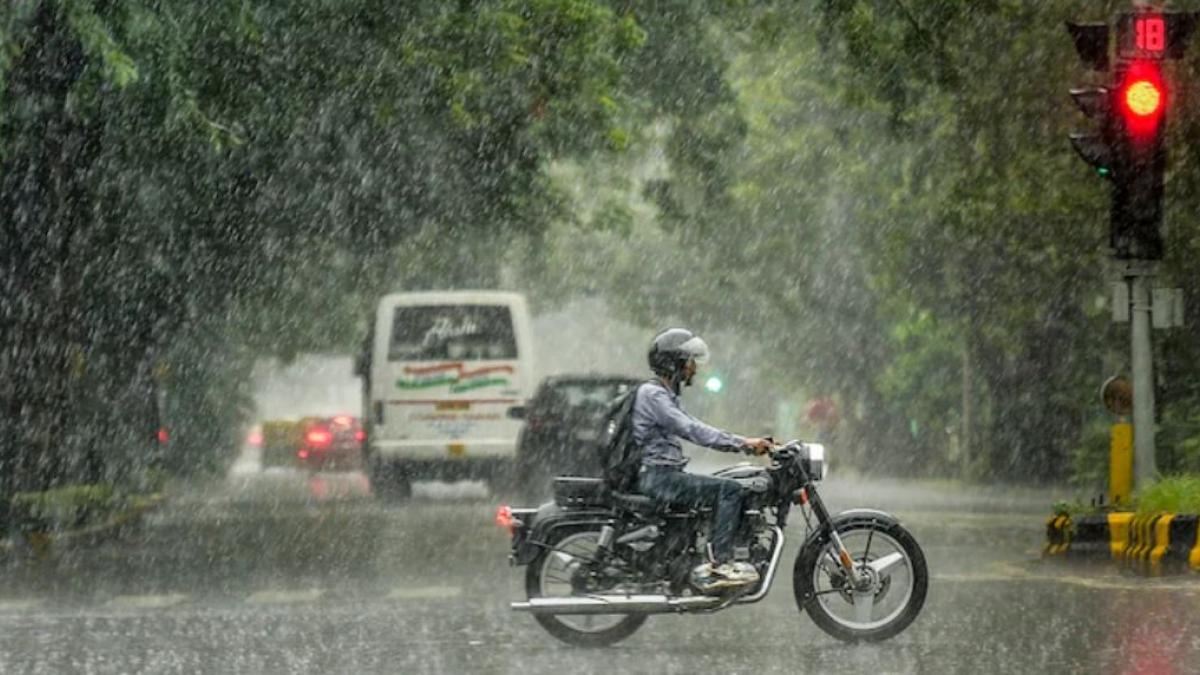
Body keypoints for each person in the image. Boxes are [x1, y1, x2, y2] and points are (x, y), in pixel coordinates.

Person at [632, 328, 774, 591]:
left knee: (724, 483)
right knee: (729, 490)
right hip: (658, 477)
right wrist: (741, 443)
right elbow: (690, 429)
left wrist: (745, 442)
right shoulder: (653, 395)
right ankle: (720, 564)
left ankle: (698, 558)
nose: (694, 369)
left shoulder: (664, 394)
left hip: (662, 473)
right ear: (673, 363)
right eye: (689, 362)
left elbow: (692, 424)